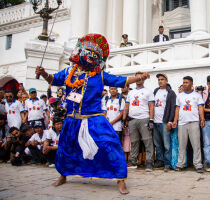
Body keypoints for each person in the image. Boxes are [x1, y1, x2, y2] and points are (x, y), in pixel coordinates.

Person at [35, 33, 150, 194]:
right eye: (88, 53)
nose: (90, 56)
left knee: (110, 144)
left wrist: (138, 78)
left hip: (94, 119)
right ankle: (63, 175)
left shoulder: (100, 75)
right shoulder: (69, 71)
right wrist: (43, 73)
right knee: (65, 148)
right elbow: (53, 79)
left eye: (94, 55)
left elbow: (120, 81)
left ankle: (120, 179)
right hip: (71, 119)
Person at [172, 76, 205, 173]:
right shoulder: (180, 96)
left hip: (194, 122)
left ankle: (198, 164)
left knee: (196, 145)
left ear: (191, 84)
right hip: (182, 123)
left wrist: (202, 119)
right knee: (182, 145)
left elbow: (200, 108)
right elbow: (177, 109)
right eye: (183, 82)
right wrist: (175, 121)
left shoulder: (197, 95)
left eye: (186, 82)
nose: (184, 84)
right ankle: (180, 164)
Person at [123, 71, 155, 172]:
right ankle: (133, 161)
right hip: (132, 120)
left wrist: (151, 120)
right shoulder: (131, 92)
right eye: (137, 77)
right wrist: (124, 119)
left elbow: (151, 106)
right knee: (134, 141)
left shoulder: (148, 91)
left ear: (143, 79)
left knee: (147, 140)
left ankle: (149, 162)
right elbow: (126, 106)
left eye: (141, 77)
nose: (139, 79)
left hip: (144, 118)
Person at [153, 73, 176, 172]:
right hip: (155, 121)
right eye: (159, 79)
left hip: (165, 121)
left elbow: (172, 108)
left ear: (166, 80)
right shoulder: (155, 91)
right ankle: (160, 161)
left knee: (167, 144)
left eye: (162, 79)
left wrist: (170, 121)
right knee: (158, 144)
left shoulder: (170, 93)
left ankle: (167, 162)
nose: (160, 81)